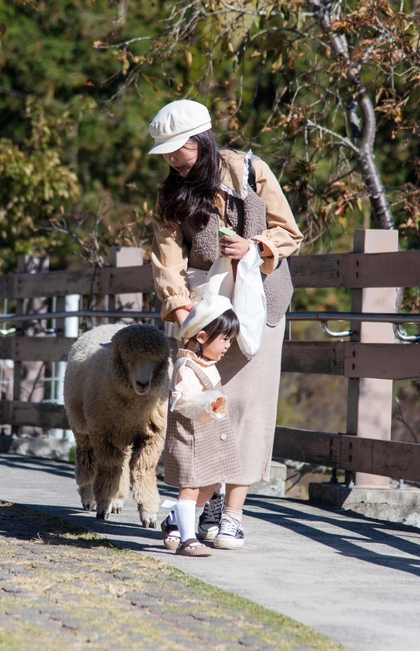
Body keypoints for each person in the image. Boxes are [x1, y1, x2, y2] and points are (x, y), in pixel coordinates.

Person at [148, 98, 303, 550]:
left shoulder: (251, 171)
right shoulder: (169, 198)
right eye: (168, 154)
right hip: (206, 310)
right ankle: (192, 511)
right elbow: (167, 262)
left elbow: (288, 232)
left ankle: (232, 515)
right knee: (199, 410)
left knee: (249, 410)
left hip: (259, 306)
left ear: (202, 140)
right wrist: (186, 319)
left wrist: (254, 247)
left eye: (181, 150)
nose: (174, 160)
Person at [161, 295, 241, 557]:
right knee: (191, 486)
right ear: (203, 337)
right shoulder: (186, 365)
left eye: (230, 340)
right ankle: (187, 539)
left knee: (208, 487)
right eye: (224, 340)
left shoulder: (207, 362)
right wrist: (207, 404)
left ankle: (174, 520)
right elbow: (183, 400)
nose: (228, 346)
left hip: (206, 436)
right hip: (189, 437)